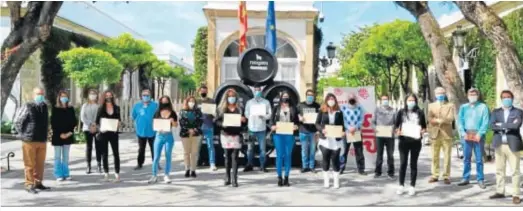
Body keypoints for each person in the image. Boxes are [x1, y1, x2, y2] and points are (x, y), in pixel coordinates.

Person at [14, 87, 51, 194]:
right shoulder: (28, 106)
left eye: (42, 94)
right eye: (38, 94)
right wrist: (22, 134)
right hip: (29, 139)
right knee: (29, 164)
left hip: (42, 140)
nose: (41, 96)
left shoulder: (44, 106)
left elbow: (46, 122)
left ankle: (38, 183)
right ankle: (29, 184)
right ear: (33, 95)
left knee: (40, 164)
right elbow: (18, 121)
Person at [488, 90, 522, 204]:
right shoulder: (495, 112)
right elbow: (491, 125)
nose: (506, 99)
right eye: (504, 97)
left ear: (512, 98)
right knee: (499, 170)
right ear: (501, 99)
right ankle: (500, 191)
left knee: (515, 171)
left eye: (508, 97)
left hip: (513, 144)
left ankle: (516, 194)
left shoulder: (518, 112)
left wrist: (501, 125)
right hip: (499, 144)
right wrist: (508, 126)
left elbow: (516, 125)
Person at [394, 93, 426, 196]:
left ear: (416, 101)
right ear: (406, 101)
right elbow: (396, 126)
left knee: (413, 164)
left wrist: (422, 131)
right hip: (403, 142)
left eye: (413, 100)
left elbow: (424, 127)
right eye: (409, 100)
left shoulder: (420, 112)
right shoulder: (401, 112)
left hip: (416, 142)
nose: (411, 102)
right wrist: (397, 131)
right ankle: (401, 185)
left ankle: (412, 186)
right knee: (403, 164)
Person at [457, 88, 489, 189]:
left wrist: (480, 133)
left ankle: (480, 179)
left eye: (474, 94)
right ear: (467, 95)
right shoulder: (463, 107)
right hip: (466, 134)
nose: (472, 96)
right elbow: (460, 121)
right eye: (471, 94)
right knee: (466, 158)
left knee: (479, 159)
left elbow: (485, 121)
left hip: (478, 135)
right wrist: (463, 133)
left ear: (478, 95)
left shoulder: (483, 107)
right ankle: (465, 178)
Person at [215, 88, 247, 187]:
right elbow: (216, 121)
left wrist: (244, 120)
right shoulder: (221, 108)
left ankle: (235, 179)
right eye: (229, 96)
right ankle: (227, 177)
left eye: (233, 96)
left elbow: (245, 122)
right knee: (227, 158)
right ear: (226, 97)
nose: (231, 98)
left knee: (235, 158)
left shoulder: (240, 108)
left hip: (236, 135)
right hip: (225, 135)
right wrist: (223, 124)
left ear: (236, 97)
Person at [316, 93, 345, 188]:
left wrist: (343, 132)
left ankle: (336, 181)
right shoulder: (322, 110)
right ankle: (326, 181)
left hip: (336, 140)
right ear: (326, 100)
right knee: (325, 159)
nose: (331, 100)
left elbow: (342, 125)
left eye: (333, 99)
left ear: (335, 100)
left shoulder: (339, 112)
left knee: (335, 159)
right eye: (329, 99)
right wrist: (321, 129)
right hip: (325, 139)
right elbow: (317, 123)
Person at [270, 91, 299, 187]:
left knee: (287, 155)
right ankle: (279, 177)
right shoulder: (276, 108)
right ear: (281, 97)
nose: (285, 98)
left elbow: (297, 122)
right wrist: (272, 126)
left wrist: (296, 126)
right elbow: (271, 121)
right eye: (284, 96)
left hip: (289, 135)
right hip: (278, 135)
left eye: (287, 96)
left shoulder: (293, 108)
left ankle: (286, 177)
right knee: (279, 155)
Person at [427, 87, 455, 185]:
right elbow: (429, 118)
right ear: (435, 94)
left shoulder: (450, 105)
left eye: (442, 93)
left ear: (445, 94)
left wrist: (440, 120)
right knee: (435, 156)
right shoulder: (431, 105)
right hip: (434, 134)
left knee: (447, 156)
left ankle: (446, 176)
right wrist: (437, 120)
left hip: (446, 134)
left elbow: (450, 118)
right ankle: (435, 175)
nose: (440, 95)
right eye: (438, 93)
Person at [148, 96, 178, 184]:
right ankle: (154, 175)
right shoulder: (157, 112)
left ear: (169, 102)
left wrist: (172, 121)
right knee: (156, 157)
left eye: (166, 101)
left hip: (168, 136)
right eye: (163, 101)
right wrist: (157, 127)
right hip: (159, 136)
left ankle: (166, 175)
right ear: (160, 102)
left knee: (168, 155)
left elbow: (176, 125)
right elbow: (153, 124)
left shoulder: (172, 113)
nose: (164, 103)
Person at [244, 85, 272, 172]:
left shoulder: (266, 102)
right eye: (255, 90)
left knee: (262, 149)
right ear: (253, 91)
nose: (257, 92)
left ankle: (262, 166)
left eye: (258, 90)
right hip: (251, 128)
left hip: (261, 129)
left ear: (261, 91)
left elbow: (270, 114)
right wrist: (251, 115)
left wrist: (264, 116)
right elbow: (246, 113)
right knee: (249, 149)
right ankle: (249, 164)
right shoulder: (249, 102)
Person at [51, 90, 77, 181]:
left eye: (65, 96)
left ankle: (66, 173)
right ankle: (58, 175)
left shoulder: (71, 109)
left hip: (68, 135)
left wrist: (68, 133)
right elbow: (53, 123)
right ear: (59, 97)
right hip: (57, 136)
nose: (63, 98)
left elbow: (74, 122)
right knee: (57, 156)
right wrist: (60, 134)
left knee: (66, 156)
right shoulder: (55, 109)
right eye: (62, 96)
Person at [96, 90, 121, 182]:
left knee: (116, 153)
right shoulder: (101, 108)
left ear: (112, 97)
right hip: (103, 133)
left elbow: (119, 120)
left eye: (110, 96)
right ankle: (106, 174)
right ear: (104, 97)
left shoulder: (117, 108)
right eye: (106, 96)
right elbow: (96, 121)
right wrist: (100, 128)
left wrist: (118, 125)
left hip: (113, 133)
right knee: (104, 154)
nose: (108, 97)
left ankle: (117, 174)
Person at [131, 88, 159, 170]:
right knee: (141, 149)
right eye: (144, 95)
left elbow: (159, 116)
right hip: (141, 131)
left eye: (147, 95)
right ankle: (139, 164)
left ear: (150, 96)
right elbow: (133, 116)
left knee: (154, 148)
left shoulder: (155, 105)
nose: (145, 96)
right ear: (141, 96)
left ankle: (156, 163)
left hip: (152, 131)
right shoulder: (137, 106)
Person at [340, 93, 365, 175]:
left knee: (359, 151)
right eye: (350, 98)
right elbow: (342, 119)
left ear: (356, 99)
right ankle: (341, 168)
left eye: (353, 98)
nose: (352, 100)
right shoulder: (343, 107)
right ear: (347, 99)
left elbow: (361, 119)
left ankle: (361, 169)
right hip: (346, 133)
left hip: (357, 132)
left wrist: (355, 127)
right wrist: (348, 127)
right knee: (344, 151)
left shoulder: (360, 107)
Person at [373, 95, 396, 179]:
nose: (385, 100)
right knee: (379, 154)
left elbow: (396, 122)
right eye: (383, 99)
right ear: (380, 100)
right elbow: (373, 122)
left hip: (390, 135)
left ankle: (391, 172)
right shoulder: (377, 110)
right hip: (379, 135)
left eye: (386, 99)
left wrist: (393, 128)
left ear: (388, 100)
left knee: (390, 155)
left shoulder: (393, 110)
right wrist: (375, 129)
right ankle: (378, 172)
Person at [179, 96, 203, 178]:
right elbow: (181, 122)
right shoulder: (182, 111)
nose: (191, 102)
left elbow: (200, 121)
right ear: (187, 102)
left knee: (194, 153)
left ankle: (193, 170)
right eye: (190, 101)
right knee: (186, 152)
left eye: (193, 101)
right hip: (185, 134)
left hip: (196, 134)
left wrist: (195, 129)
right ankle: (187, 169)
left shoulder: (198, 111)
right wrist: (188, 130)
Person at [297, 89, 320, 173]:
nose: (310, 97)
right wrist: (299, 118)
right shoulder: (300, 105)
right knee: (304, 150)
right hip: (303, 130)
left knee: (312, 150)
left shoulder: (317, 106)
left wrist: (318, 130)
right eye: (308, 95)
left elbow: (320, 118)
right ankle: (304, 166)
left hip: (313, 131)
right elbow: (296, 116)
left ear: (313, 96)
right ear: (306, 96)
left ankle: (311, 166)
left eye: (312, 95)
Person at [196, 85, 217, 171]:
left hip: (209, 126)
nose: (203, 92)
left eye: (205, 91)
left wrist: (214, 115)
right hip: (199, 127)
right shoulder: (196, 101)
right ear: (199, 91)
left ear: (207, 91)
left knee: (210, 146)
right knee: (197, 146)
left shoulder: (211, 101)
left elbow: (216, 113)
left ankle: (212, 163)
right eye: (202, 91)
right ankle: (195, 163)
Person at [81, 89, 101, 174]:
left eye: (94, 94)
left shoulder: (99, 106)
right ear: (88, 95)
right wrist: (90, 124)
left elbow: (101, 117)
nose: (92, 95)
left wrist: (95, 125)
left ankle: (99, 165)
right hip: (87, 128)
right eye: (91, 94)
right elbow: (83, 117)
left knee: (98, 147)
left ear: (97, 95)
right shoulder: (85, 105)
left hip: (97, 129)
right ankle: (88, 166)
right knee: (89, 147)